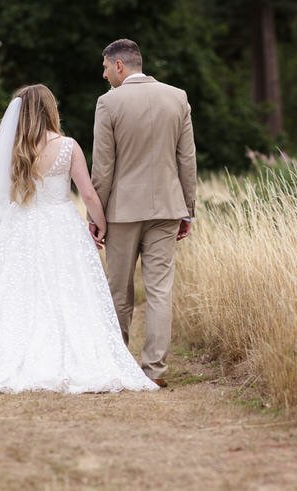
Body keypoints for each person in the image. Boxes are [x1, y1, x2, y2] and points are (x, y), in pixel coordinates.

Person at [0, 84, 157, 394]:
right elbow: (89, 194)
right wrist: (101, 224)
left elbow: (4, 195)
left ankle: (14, 351)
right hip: (61, 225)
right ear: (50, 109)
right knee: (68, 290)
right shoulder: (67, 146)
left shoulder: (14, 149)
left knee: (18, 292)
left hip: (21, 226)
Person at [91, 38, 197, 388]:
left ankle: (119, 364)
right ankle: (154, 370)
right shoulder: (177, 97)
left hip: (122, 211)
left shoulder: (108, 104)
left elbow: (102, 169)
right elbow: (187, 160)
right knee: (160, 290)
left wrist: (97, 217)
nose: (104, 74)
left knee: (119, 290)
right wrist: (188, 211)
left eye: (106, 67)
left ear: (119, 65)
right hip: (168, 207)